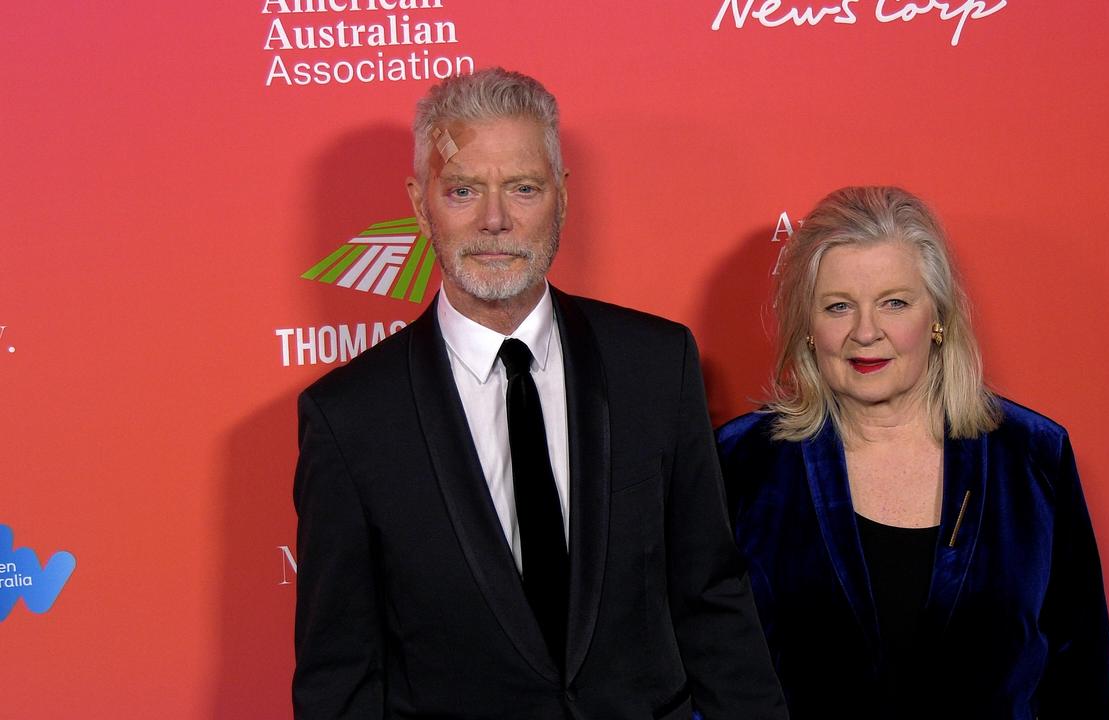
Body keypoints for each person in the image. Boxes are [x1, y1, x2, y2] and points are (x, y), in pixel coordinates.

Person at [291, 68, 787, 720]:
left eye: (522, 188)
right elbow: (341, 679)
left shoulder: (656, 366)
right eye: (463, 189)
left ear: (561, 195)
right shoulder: (350, 418)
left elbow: (712, 602)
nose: (495, 220)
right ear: (420, 203)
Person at [717, 186, 1109, 718]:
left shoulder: (1031, 457)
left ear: (937, 319)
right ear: (809, 329)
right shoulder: (744, 463)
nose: (866, 332)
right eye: (838, 306)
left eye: (895, 302)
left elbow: (1082, 673)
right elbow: (708, 667)